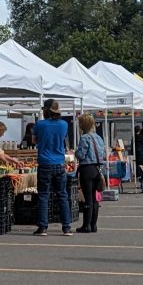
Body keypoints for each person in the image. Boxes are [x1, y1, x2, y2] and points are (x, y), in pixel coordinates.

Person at [30, 100, 73, 237]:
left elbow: (33, 141)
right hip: (59, 163)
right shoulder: (64, 124)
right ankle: (66, 227)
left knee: (43, 195)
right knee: (62, 195)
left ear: (46, 110)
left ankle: (43, 227)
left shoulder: (39, 124)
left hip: (45, 163)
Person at [75, 113, 108, 233]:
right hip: (97, 169)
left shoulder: (84, 138)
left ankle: (86, 225)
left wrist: (75, 153)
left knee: (87, 198)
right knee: (95, 198)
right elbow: (103, 154)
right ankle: (93, 225)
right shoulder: (98, 137)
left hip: (87, 169)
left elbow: (81, 155)